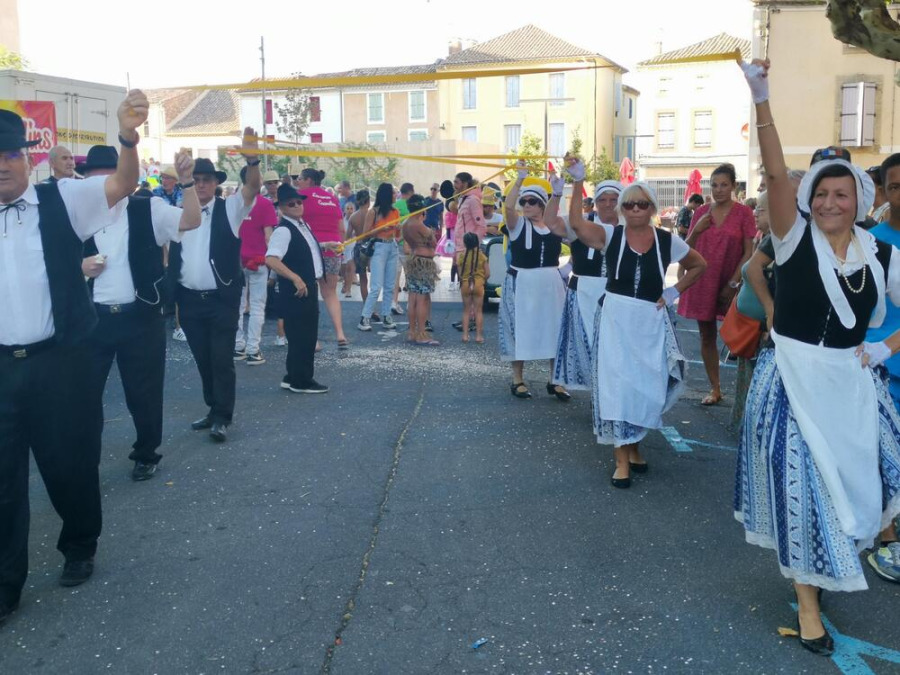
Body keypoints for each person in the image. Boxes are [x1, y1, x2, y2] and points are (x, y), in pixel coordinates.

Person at [735, 59, 900, 656]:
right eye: (822, 193)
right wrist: (762, 98)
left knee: (856, 487)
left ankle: (827, 564)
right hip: (792, 380)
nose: (831, 202)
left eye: (842, 193)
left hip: (851, 385)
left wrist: (883, 346)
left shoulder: (882, 255)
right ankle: (808, 606)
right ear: (809, 199)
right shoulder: (792, 238)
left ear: (860, 198)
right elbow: (776, 172)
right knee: (802, 485)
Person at [0, 92, 149, 623]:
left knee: (69, 465)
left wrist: (126, 137)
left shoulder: (61, 198)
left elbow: (122, 184)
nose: (1, 166)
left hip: (59, 361)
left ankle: (80, 544)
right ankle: (6, 584)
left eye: (9, 154)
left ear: (27, 158)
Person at [565, 156, 707, 489]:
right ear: (622, 209)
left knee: (645, 386)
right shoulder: (610, 235)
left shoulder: (667, 240)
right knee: (617, 386)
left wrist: (673, 292)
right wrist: (577, 181)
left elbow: (699, 265)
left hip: (650, 322)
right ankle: (621, 460)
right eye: (628, 204)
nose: (635, 209)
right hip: (615, 318)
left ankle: (634, 445)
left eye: (642, 204)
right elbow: (576, 225)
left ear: (653, 208)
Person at [80, 146, 200, 482]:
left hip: (140, 317)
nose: (103, 187)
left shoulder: (148, 208)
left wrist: (188, 183)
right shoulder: (76, 215)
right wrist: (79, 267)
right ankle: (84, 458)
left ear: (125, 180)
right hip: (91, 319)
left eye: (110, 178)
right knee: (83, 394)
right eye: (95, 180)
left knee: (144, 392)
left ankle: (146, 453)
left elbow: (191, 220)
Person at [165, 130, 260, 444]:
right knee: (203, 360)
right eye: (196, 179)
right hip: (189, 300)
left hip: (221, 299)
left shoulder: (229, 208)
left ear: (216, 183)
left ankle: (222, 416)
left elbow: (252, 188)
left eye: (206, 180)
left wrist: (252, 160)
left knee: (221, 359)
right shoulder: (179, 212)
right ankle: (213, 408)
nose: (201, 184)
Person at [677, 163, 755, 406]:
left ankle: (748, 391)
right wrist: (696, 231)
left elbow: (749, 252)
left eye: (724, 185)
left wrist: (733, 282)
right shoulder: (701, 213)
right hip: (703, 280)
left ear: (733, 186)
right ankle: (715, 388)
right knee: (706, 335)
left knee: (744, 335)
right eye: (714, 185)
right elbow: (686, 248)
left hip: (733, 279)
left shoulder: (743, 213)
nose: (719, 190)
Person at [861, 151, 900, 583]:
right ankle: (887, 538)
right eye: (896, 186)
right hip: (879, 369)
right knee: (881, 452)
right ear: (884, 191)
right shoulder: (870, 243)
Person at [499, 162, 569, 400]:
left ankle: (555, 380)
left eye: (532, 202)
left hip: (550, 284)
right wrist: (519, 181)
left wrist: (569, 268)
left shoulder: (555, 226)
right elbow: (508, 207)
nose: (526, 205)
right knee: (520, 329)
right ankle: (517, 379)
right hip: (523, 283)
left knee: (554, 329)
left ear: (542, 205)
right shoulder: (518, 225)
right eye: (524, 201)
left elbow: (580, 243)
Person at [552, 179, 622, 391]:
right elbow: (551, 223)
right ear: (595, 202)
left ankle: (610, 392)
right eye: (602, 200)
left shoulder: (630, 227)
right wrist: (558, 194)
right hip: (583, 291)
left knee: (613, 345)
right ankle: (597, 392)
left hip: (617, 293)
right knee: (586, 342)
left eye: (613, 199)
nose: (608, 204)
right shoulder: (582, 223)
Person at [265, 183, 331, 393]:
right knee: (303, 336)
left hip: (307, 286)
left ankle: (292, 376)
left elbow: (305, 247)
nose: (296, 206)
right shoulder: (284, 230)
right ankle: (301, 381)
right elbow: (271, 259)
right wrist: (295, 278)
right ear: (282, 207)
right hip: (297, 290)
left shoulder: (302, 225)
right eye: (290, 204)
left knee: (301, 335)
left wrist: (324, 246)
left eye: (298, 202)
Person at [297, 167, 350, 350]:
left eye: (300, 179)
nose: (298, 182)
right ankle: (340, 334)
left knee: (310, 294)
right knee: (330, 293)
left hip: (311, 249)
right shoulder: (332, 198)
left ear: (309, 180)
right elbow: (341, 228)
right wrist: (341, 249)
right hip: (333, 249)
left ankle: (314, 340)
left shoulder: (302, 197)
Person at [234, 165, 278, 364]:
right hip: (258, 261)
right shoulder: (265, 204)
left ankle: (238, 347)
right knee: (258, 306)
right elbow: (269, 237)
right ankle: (253, 350)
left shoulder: (232, 202)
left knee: (237, 306)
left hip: (236, 262)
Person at [358, 183, 400, 331]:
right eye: (393, 193)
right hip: (379, 246)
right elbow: (365, 234)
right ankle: (365, 317)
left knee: (390, 285)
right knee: (376, 286)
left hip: (392, 246)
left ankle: (386, 316)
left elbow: (398, 234)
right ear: (386, 195)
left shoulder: (395, 211)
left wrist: (398, 230)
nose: (395, 195)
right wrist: (381, 229)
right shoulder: (373, 212)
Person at [401, 194, 440, 345]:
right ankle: (422, 334)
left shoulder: (405, 224)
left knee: (412, 298)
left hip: (413, 260)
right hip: (423, 262)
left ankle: (412, 332)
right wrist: (429, 230)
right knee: (422, 299)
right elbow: (433, 242)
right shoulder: (418, 224)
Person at [451, 173, 485, 330]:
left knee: (469, 285)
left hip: (468, 249)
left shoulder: (472, 200)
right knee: (464, 284)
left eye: (456, 182)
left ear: (465, 183)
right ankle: (467, 317)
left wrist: (473, 246)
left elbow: (481, 226)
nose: (454, 184)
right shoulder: (463, 199)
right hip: (461, 248)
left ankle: (472, 319)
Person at [458, 231, 489, 343]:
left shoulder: (462, 256)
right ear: (477, 242)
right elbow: (488, 273)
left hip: (466, 284)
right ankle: (479, 336)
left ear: (465, 243)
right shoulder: (482, 256)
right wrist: (482, 280)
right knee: (478, 311)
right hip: (478, 284)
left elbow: (460, 274)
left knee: (466, 310)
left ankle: (465, 336)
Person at [349, 189, 371, 305]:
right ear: (368, 201)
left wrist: (356, 233)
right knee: (376, 279)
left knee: (363, 279)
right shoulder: (372, 214)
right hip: (372, 246)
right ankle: (372, 306)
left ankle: (366, 305)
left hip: (359, 247)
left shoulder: (353, 217)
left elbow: (348, 236)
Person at [341, 200, 357, 297]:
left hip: (353, 247)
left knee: (351, 268)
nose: (350, 210)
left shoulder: (356, 221)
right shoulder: (341, 221)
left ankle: (348, 290)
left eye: (351, 208)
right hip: (343, 248)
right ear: (344, 210)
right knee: (343, 269)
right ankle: (345, 282)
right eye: (348, 208)